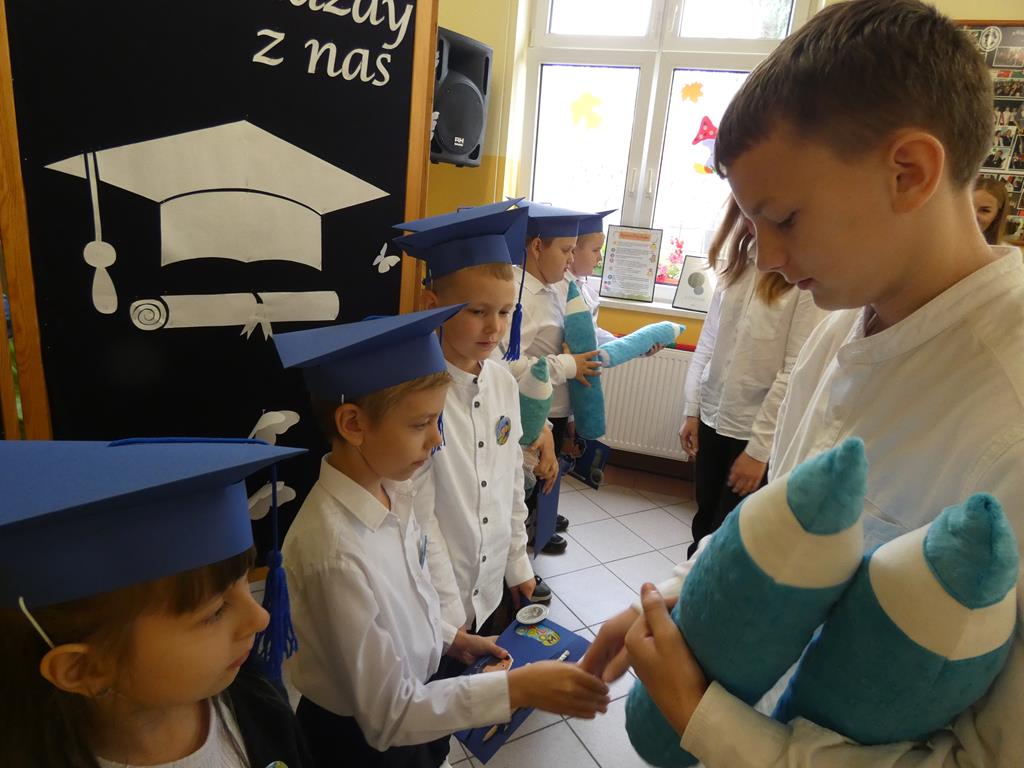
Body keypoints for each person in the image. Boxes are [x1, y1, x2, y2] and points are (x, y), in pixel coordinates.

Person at [583, 2, 1024, 765]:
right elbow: (781, 538)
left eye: (785, 218)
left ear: (909, 172)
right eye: (753, 225)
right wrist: (680, 604)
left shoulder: (1008, 407)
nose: (769, 259)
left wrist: (704, 720)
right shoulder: (839, 325)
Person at [275, 307, 609, 768]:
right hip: (362, 743)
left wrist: (450, 639)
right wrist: (515, 688)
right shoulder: (335, 553)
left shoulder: (395, 490)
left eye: (439, 422)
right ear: (353, 424)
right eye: (421, 424)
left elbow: (407, 604)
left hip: (418, 700)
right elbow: (388, 716)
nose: (436, 440)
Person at [0, 438, 311, 768]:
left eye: (245, 582)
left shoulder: (262, 707)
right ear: (85, 669)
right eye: (216, 611)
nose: (260, 617)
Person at [394, 205, 549, 639]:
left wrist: (517, 563)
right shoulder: (414, 397)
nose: (494, 328)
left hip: (492, 586)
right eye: (478, 311)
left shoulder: (503, 384)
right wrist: (449, 608)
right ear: (433, 306)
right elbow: (416, 513)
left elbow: (512, 480)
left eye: (505, 312)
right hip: (437, 601)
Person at [679, 195, 826, 556]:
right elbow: (709, 343)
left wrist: (759, 452)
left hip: (753, 432)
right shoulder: (738, 264)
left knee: (732, 534)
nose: (752, 223)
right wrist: (692, 410)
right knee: (704, 520)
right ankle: (689, 584)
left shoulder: (803, 278)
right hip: (713, 418)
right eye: (745, 213)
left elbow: (794, 371)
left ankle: (708, 586)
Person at [496, 201, 602, 554]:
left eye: (574, 250)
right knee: (523, 487)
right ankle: (520, 552)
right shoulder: (518, 297)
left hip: (549, 407)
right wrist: (566, 365)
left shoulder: (551, 289)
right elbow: (506, 365)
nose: (571, 259)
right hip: (525, 411)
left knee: (541, 480)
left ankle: (532, 539)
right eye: (566, 250)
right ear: (538, 246)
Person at [974, 176, 1013, 245]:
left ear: (997, 215)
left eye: (984, 210)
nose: (972, 216)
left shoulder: (1003, 250)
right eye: (968, 207)